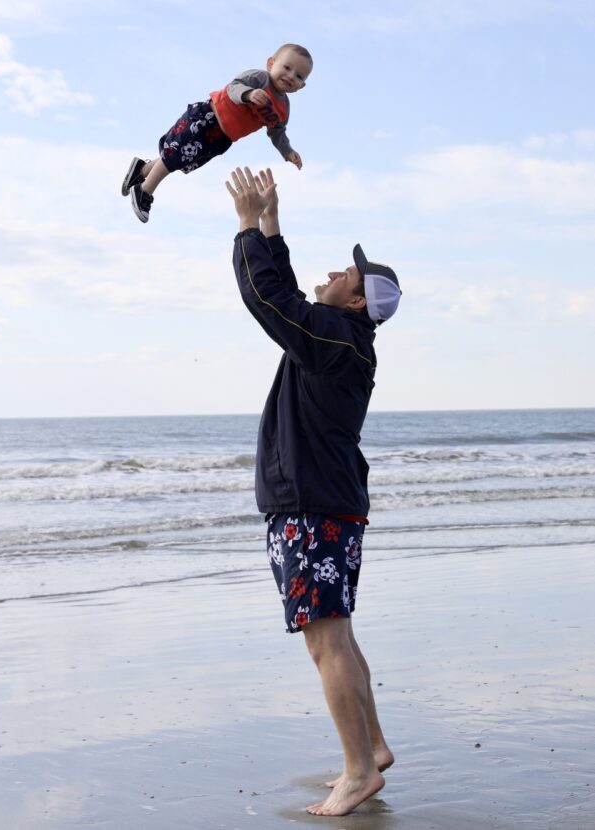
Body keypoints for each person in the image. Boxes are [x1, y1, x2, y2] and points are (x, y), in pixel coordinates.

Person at [225, 166, 402, 817]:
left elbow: (268, 299)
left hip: (313, 507)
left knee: (325, 639)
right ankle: (373, 748)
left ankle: (358, 772)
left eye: (346, 276)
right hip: (327, 503)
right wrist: (271, 224)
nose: (332, 272)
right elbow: (290, 294)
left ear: (356, 303)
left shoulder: (332, 336)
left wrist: (246, 225)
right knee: (338, 635)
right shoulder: (341, 338)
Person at [122, 44, 312, 223]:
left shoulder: (283, 108)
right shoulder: (260, 79)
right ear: (271, 64)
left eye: (299, 76)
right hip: (209, 117)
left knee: (182, 160)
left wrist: (287, 152)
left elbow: (277, 132)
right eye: (286, 67)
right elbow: (233, 87)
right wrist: (248, 94)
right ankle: (145, 190)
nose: (290, 76)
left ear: (301, 86)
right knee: (176, 155)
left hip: (223, 138)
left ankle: (142, 170)